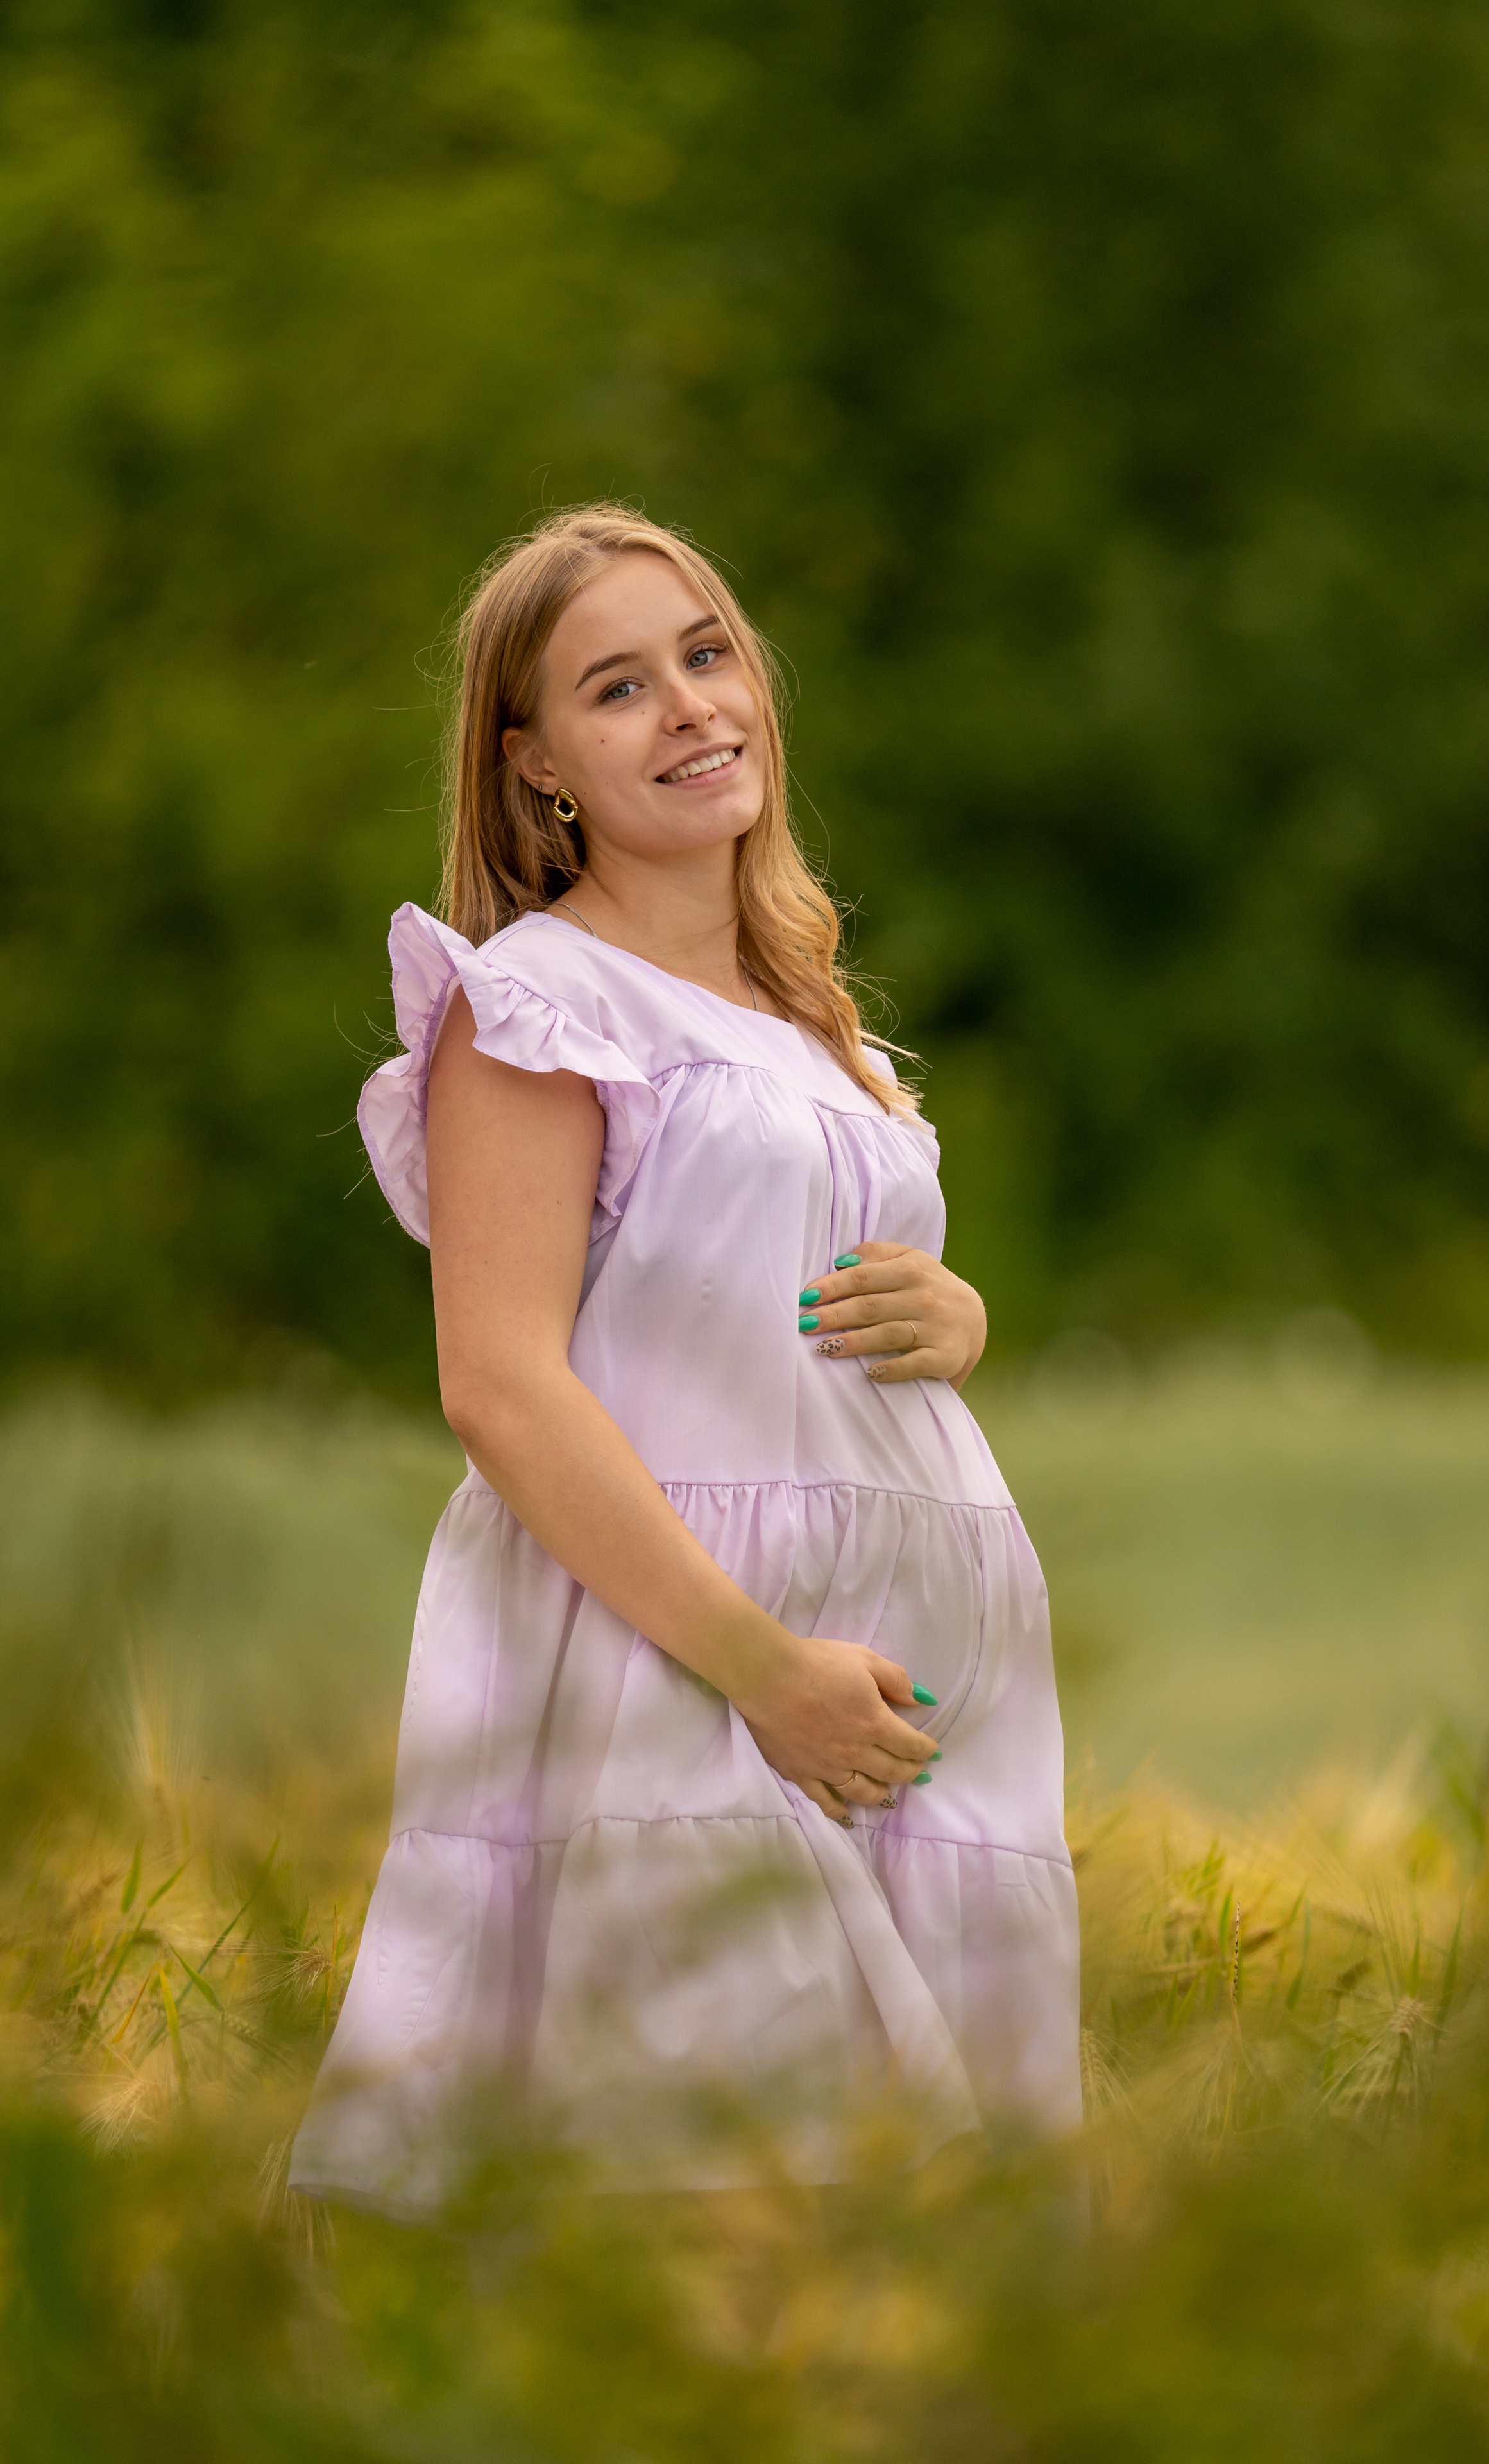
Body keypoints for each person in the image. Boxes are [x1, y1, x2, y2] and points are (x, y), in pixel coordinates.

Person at [289, 505, 1080, 2211]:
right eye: (621, 688)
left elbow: (808, 1302)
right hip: (688, 1674)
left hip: (904, 1708)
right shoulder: (538, 1005)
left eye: (707, 655)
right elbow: (498, 1385)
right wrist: (759, 1668)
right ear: (538, 769)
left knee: (920, 2259)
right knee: (713, 2197)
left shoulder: (809, 1016)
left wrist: (964, 1318)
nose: (693, 707)